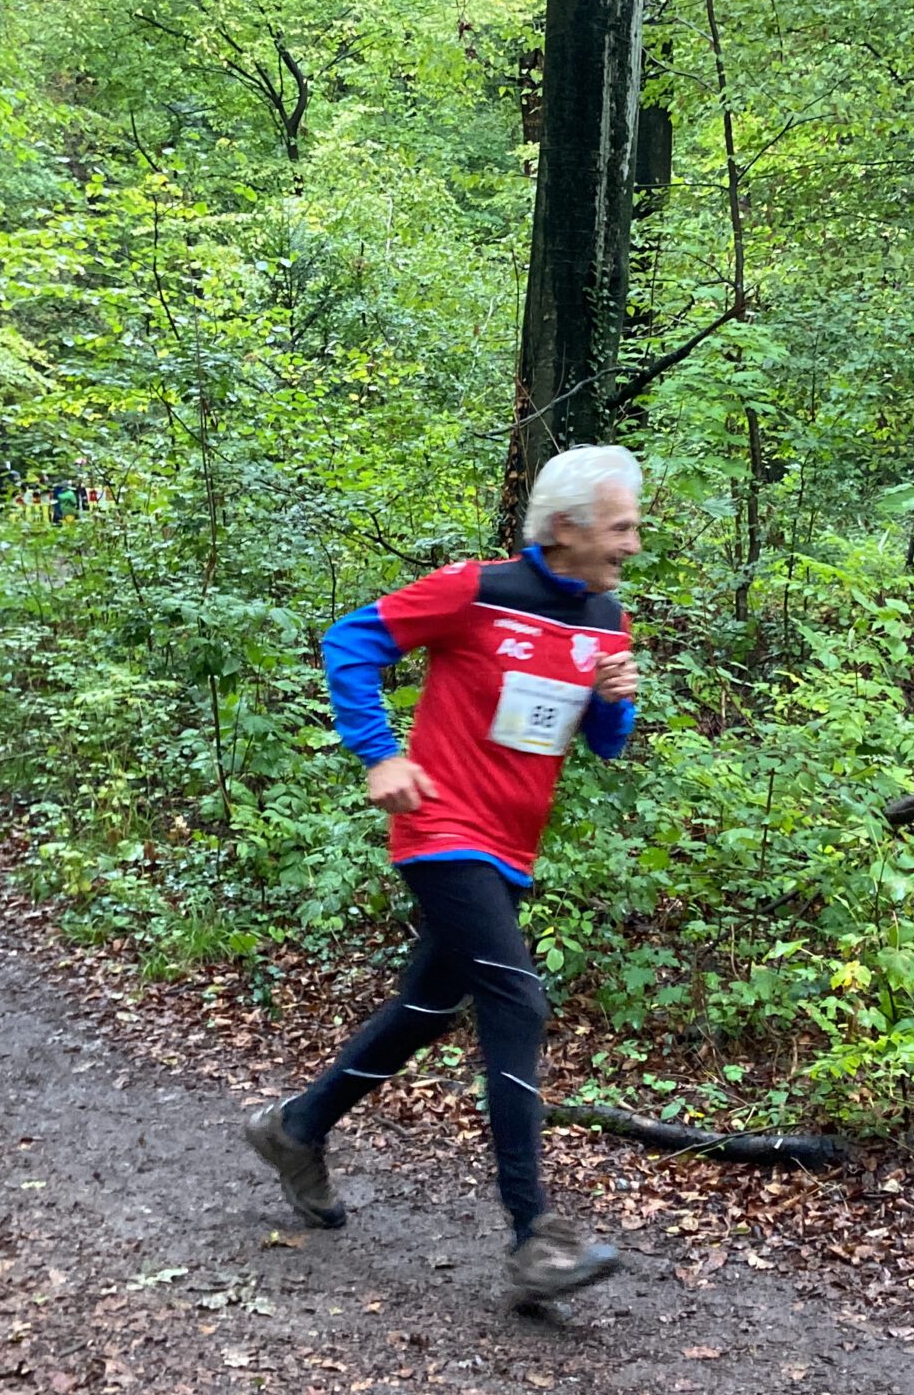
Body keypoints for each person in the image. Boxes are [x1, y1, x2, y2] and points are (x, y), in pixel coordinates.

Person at [245, 445, 646, 1306]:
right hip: (440, 827)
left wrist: (616, 698)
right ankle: (534, 1237)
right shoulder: (475, 589)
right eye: (620, 527)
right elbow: (351, 642)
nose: (632, 544)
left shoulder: (607, 618)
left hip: (512, 846)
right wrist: (380, 754)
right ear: (566, 526)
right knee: (516, 1000)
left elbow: (605, 744)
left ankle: (297, 1127)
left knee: (429, 1007)